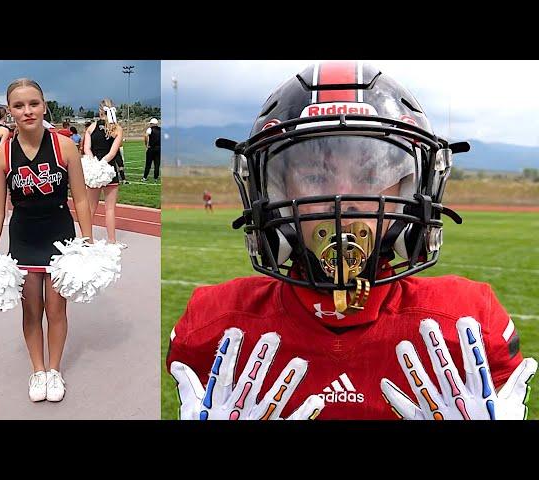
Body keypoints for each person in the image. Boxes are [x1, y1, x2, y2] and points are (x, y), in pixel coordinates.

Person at [166, 61, 537, 421]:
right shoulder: (214, 327)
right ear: (272, 193)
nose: (342, 199)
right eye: (314, 174)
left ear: (414, 189)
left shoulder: (466, 326)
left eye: (372, 172)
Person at [0, 78, 93, 403]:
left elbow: (83, 200)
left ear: (44, 106)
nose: (27, 110)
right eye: (19, 105)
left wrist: (87, 243)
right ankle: (38, 370)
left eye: (33, 103)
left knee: (57, 308)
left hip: (60, 236)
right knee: (31, 309)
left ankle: (55, 370)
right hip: (23, 237)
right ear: (9, 112)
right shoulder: (3, 154)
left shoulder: (65, 146)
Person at [83, 99, 126, 246]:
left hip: (94, 172)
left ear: (100, 111)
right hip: (109, 171)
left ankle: (87, 240)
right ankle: (112, 241)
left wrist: (94, 165)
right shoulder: (117, 129)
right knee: (110, 209)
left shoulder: (90, 128)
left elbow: (86, 149)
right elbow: (113, 152)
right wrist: (102, 165)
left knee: (90, 207)